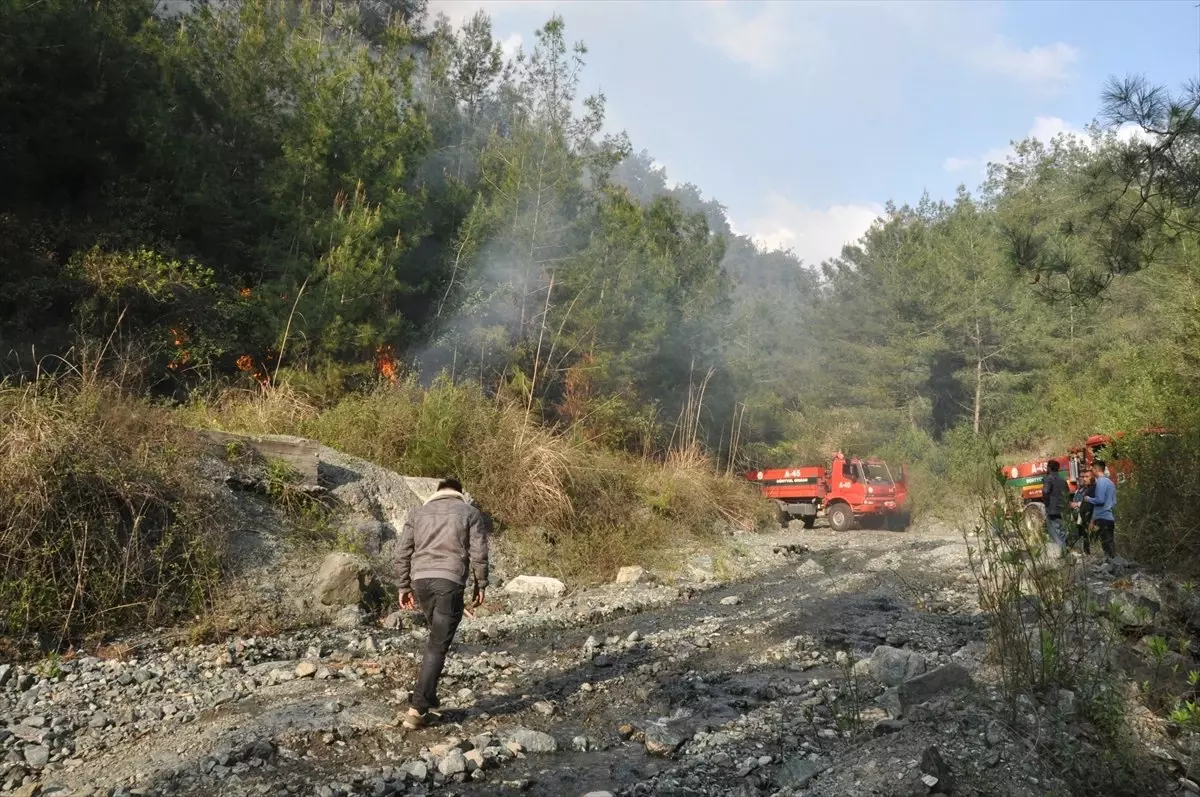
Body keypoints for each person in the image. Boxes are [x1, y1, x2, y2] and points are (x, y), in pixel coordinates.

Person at [395, 478, 490, 729]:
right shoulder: (469, 512)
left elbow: (402, 552)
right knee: (438, 645)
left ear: (437, 492)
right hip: (449, 581)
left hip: (421, 582)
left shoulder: (418, 512)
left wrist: (404, 586)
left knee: (435, 641)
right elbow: (478, 552)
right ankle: (417, 709)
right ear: (459, 493)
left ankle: (428, 696)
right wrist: (481, 584)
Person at [1079, 461, 1117, 558]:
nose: (1092, 472)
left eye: (1092, 469)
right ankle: (1115, 566)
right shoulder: (1110, 482)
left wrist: (1088, 499)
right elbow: (1114, 502)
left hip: (1102, 518)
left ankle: (1112, 566)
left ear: (1096, 469)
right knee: (1110, 545)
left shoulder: (1100, 481)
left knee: (1106, 547)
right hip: (1110, 518)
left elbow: (1100, 500)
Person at [1041, 459, 1069, 549]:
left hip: (1052, 509)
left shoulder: (1048, 479)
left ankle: (1063, 550)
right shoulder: (1063, 480)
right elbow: (1067, 493)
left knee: (1054, 531)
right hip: (1063, 509)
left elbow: (1045, 492)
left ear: (1049, 468)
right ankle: (1066, 549)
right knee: (1062, 529)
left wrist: (1046, 504)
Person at [1067, 469, 1096, 554]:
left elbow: (1092, 503)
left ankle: (1088, 554)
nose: (1082, 479)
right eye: (1081, 477)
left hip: (1087, 517)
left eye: (1085, 477)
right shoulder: (1079, 490)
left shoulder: (1092, 489)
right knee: (1072, 536)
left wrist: (1077, 504)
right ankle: (1065, 554)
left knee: (1087, 537)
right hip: (1078, 518)